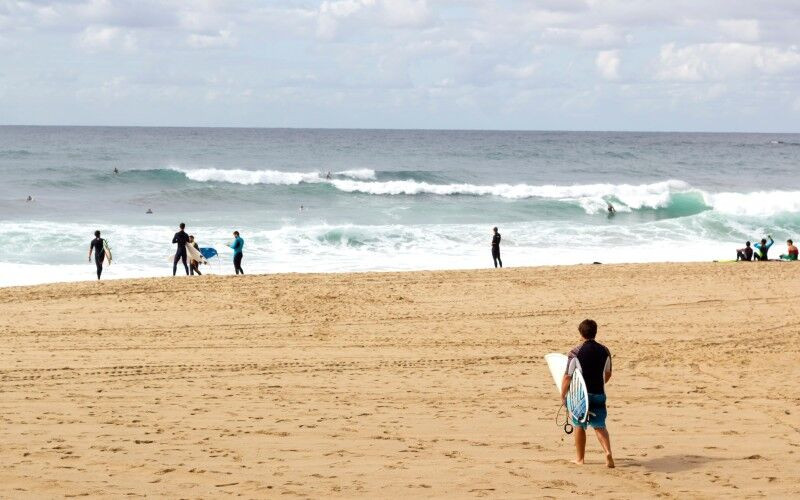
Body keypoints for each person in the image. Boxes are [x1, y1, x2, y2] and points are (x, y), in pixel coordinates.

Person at [561, 319, 614, 468]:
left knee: (579, 424)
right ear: (595, 332)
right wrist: (600, 383)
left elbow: (567, 376)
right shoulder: (605, 351)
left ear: (581, 333)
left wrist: (563, 394)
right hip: (598, 393)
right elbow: (608, 373)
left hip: (580, 396)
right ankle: (608, 452)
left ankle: (580, 458)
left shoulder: (575, 352)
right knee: (599, 425)